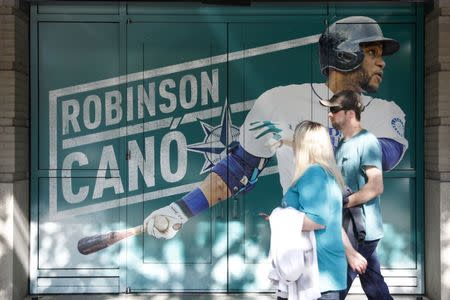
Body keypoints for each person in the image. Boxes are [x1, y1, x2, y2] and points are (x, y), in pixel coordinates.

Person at [143, 15, 408, 263]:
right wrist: (180, 210)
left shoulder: (387, 111)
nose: (381, 62)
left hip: (351, 231)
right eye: (371, 52)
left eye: (380, 55)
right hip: (298, 237)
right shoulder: (279, 101)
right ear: (345, 54)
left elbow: (383, 156)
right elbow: (237, 172)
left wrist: (297, 139)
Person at [319, 90, 392, 300]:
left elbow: (376, 186)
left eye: (334, 110)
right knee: (374, 285)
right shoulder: (343, 143)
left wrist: (343, 204)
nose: (329, 115)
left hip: (361, 232)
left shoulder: (366, 141)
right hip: (354, 228)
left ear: (350, 113)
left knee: (334, 289)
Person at [277, 120, 347, 300]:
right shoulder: (325, 172)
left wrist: (279, 219)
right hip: (324, 270)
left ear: (303, 145)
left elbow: (317, 221)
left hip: (315, 273)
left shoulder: (313, 173)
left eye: (296, 140)